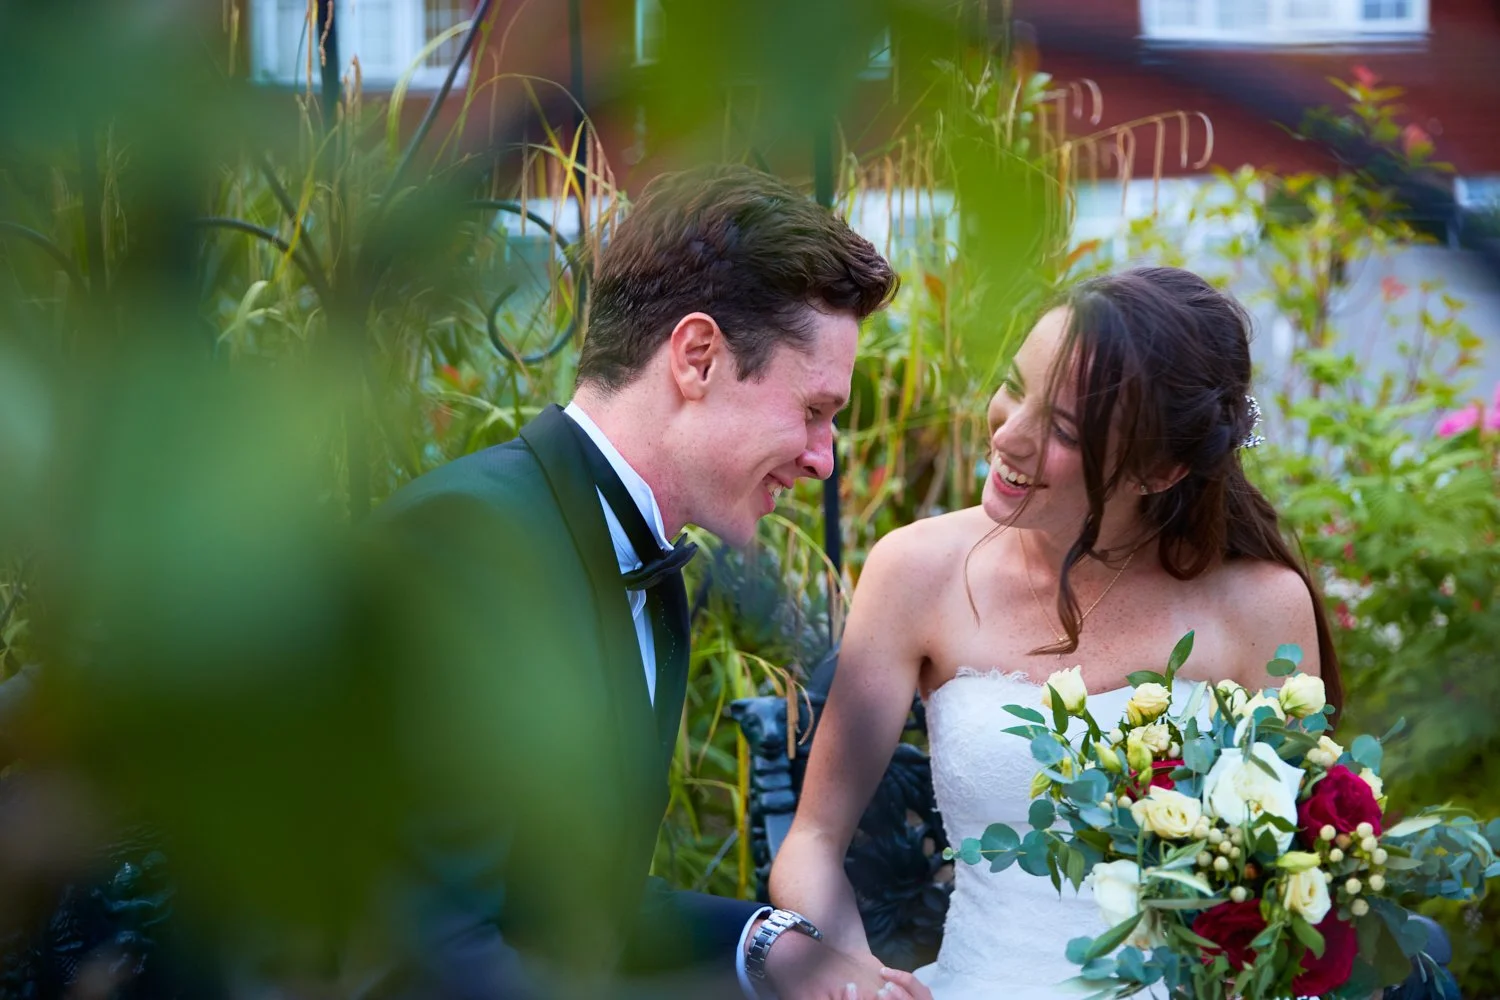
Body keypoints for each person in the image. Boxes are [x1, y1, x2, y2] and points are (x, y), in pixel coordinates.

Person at [357, 163, 920, 1000]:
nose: (823, 457)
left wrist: (771, 949)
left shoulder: (643, 566)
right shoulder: (465, 548)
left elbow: (581, 911)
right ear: (696, 358)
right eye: (814, 410)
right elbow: (417, 952)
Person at [768, 266, 1344, 999]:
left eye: (1064, 428)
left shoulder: (1263, 609)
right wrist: (856, 974)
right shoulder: (916, 571)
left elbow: (1294, 882)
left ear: (1160, 469)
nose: (1008, 433)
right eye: (1013, 385)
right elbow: (813, 843)